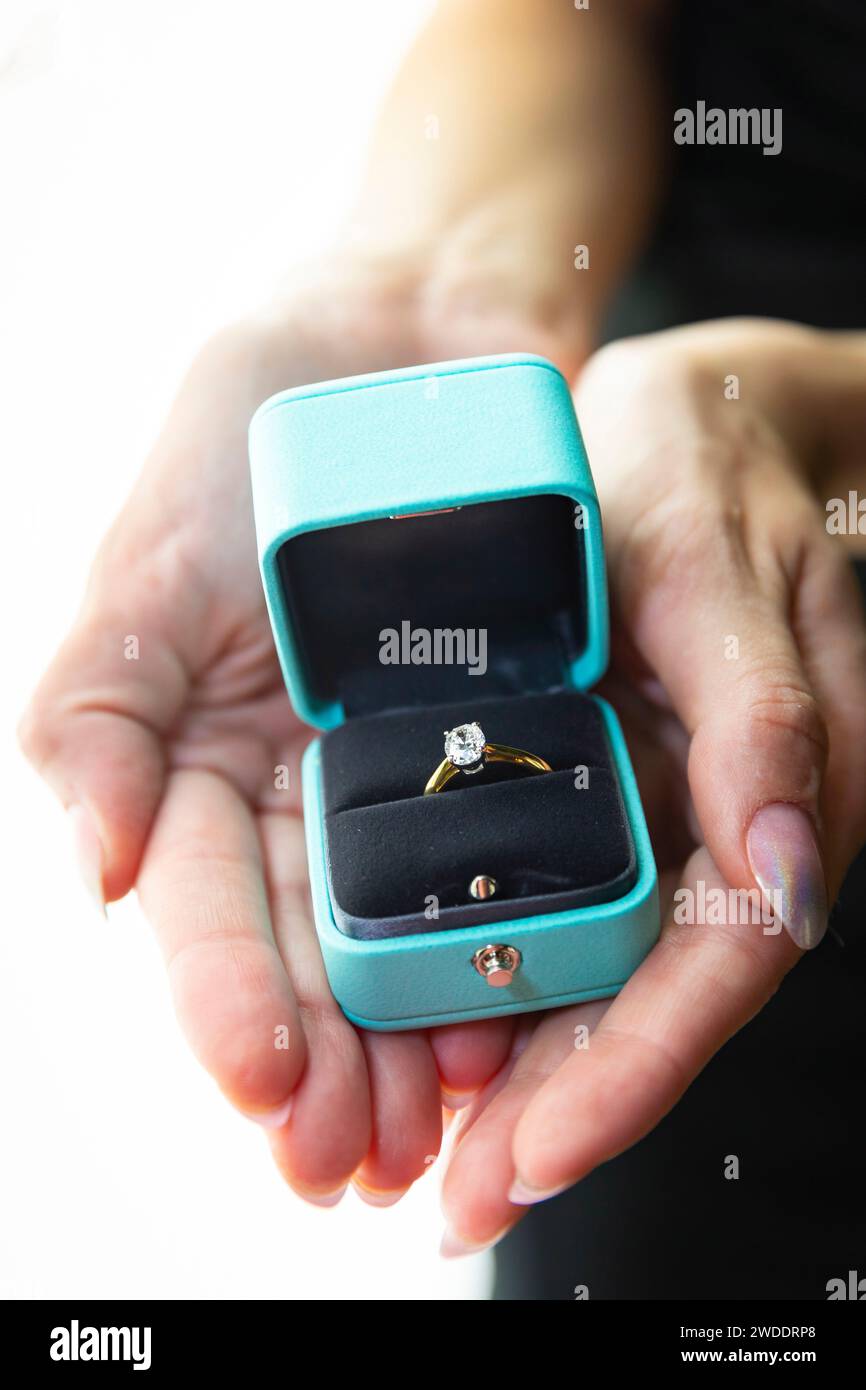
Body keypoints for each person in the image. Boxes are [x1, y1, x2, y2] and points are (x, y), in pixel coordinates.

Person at [19, 0, 866, 1298]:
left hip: (743, 562)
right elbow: (561, 21)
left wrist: (808, 412)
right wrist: (421, 291)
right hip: (663, 587)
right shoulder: (496, 724)